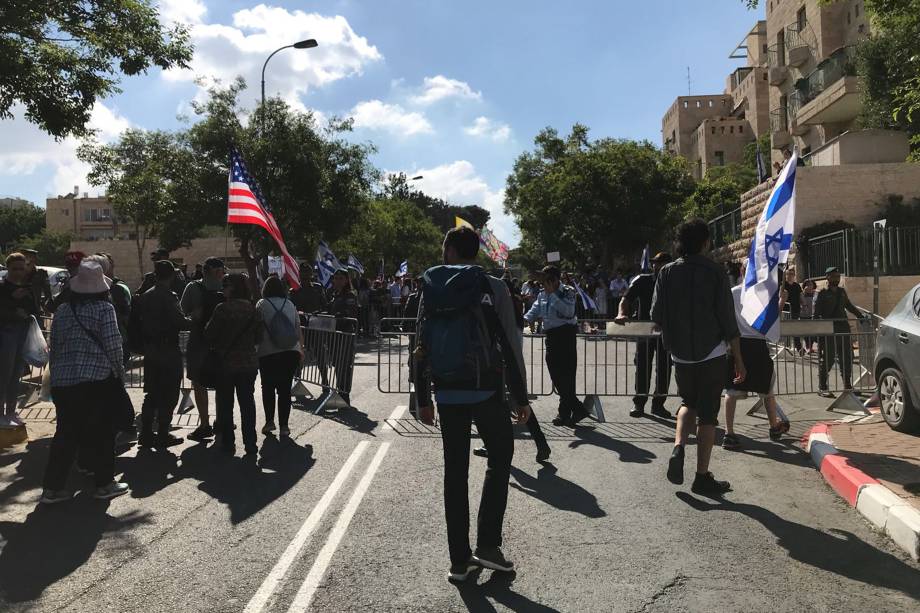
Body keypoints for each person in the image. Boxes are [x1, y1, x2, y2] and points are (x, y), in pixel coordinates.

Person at [415, 226, 532, 583]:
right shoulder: (493, 286)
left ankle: (459, 560)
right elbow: (510, 342)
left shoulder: (430, 288)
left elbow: (420, 342)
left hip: (447, 392)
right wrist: (520, 395)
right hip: (487, 389)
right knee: (499, 460)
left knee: (455, 472)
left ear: (449, 250)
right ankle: (488, 544)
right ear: (475, 253)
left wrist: (422, 398)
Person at [651, 218, 745, 496]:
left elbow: (656, 315)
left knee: (686, 402)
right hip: (712, 354)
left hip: (680, 355)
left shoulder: (666, 272)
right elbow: (728, 320)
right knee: (708, 416)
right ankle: (701, 476)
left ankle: (678, 446)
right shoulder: (715, 272)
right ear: (705, 242)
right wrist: (738, 358)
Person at [39, 260, 129, 503]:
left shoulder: (64, 310)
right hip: (97, 379)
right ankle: (104, 484)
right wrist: (119, 374)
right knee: (103, 433)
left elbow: (55, 347)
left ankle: (52, 488)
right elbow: (113, 345)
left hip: (64, 382)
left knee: (65, 434)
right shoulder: (104, 309)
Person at [473, 278, 551, 462]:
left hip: (499, 362)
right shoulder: (513, 307)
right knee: (518, 403)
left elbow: (506, 338)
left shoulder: (502, 308)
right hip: (506, 362)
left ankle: (495, 447)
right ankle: (541, 443)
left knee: (495, 408)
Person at [722, 276, 791, 450]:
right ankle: (773, 426)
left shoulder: (733, 293)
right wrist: (782, 300)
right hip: (756, 344)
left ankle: (729, 433)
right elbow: (771, 321)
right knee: (766, 389)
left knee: (732, 390)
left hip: (737, 342)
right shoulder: (763, 294)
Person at [205, 272, 262, 455]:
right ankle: (250, 443)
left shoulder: (222, 309)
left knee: (225, 404)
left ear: (233, 288)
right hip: (249, 363)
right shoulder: (253, 309)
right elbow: (259, 336)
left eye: (225, 286)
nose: (223, 290)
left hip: (226, 363)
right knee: (247, 404)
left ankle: (229, 443)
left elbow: (209, 334)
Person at [136, 260, 190, 448]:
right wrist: (194, 320)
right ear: (171, 276)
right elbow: (180, 322)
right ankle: (163, 433)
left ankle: (146, 432)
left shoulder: (146, 295)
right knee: (169, 393)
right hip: (168, 350)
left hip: (151, 350)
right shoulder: (169, 296)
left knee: (152, 393)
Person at [524, 266, 587, 426]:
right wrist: (523, 320)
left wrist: (554, 294)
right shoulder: (542, 292)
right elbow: (534, 310)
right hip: (551, 337)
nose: (544, 283)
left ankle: (564, 413)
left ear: (555, 279)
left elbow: (568, 312)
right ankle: (577, 408)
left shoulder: (567, 291)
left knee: (567, 376)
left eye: (547, 279)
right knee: (556, 376)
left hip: (565, 335)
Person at [615, 252, 673, 419]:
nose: (657, 266)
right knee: (642, 367)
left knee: (664, 368)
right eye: (655, 263)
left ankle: (658, 404)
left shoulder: (675, 283)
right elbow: (626, 299)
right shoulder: (642, 280)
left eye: (661, 263)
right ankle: (639, 404)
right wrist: (621, 314)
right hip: (645, 330)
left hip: (666, 330)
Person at [180, 257, 226, 441]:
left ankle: (207, 423)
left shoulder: (194, 287)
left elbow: (182, 311)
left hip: (202, 342)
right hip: (216, 343)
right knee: (215, 383)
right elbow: (183, 311)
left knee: (201, 383)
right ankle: (217, 422)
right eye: (219, 271)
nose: (221, 275)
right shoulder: (226, 287)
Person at [256, 276, 304, 438]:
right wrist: (301, 350)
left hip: (267, 351)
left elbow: (257, 328)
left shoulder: (261, 305)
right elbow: (298, 329)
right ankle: (284, 426)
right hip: (290, 351)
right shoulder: (290, 305)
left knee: (267, 387)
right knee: (285, 389)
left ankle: (269, 422)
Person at [0, 253, 42, 428]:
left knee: (16, 374)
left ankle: (11, 410)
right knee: (4, 373)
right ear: (8, 268)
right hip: (6, 333)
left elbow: (35, 310)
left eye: (21, 268)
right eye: (14, 268)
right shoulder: (2, 287)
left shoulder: (28, 287)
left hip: (23, 334)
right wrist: (12, 303)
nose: (18, 272)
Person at [813, 266, 864, 396]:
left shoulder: (841, 291)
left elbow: (849, 305)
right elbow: (816, 314)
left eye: (838, 276)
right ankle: (822, 387)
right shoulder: (822, 293)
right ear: (827, 277)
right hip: (829, 331)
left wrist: (860, 316)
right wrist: (818, 332)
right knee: (828, 360)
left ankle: (847, 385)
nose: (837, 278)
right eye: (834, 276)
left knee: (846, 358)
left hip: (843, 329)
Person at [324, 269, 359, 406]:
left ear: (346, 280)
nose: (337, 281)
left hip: (345, 335)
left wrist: (341, 315)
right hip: (334, 335)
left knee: (344, 366)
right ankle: (340, 392)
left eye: (340, 278)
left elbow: (351, 315)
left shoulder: (349, 295)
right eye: (335, 278)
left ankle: (344, 395)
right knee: (337, 366)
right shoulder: (334, 294)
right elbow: (329, 310)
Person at [21, 248, 53, 314]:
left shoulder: (41, 273)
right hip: (20, 309)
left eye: (30, 257)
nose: (28, 260)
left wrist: (47, 306)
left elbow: (47, 292)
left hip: (36, 309)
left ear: (35, 259)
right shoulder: (18, 272)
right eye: (26, 257)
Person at [781, 267, 803, 352]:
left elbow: (801, 296)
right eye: (788, 274)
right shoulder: (783, 284)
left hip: (795, 309)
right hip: (786, 310)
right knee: (789, 328)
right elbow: (780, 295)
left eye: (792, 274)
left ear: (794, 276)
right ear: (785, 275)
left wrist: (804, 303)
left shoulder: (797, 286)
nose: (790, 276)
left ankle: (797, 347)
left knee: (794, 328)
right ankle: (790, 346)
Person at [800, 279, 817, 354]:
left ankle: (811, 347)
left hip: (813, 315)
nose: (809, 286)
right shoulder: (802, 294)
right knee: (806, 332)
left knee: (813, 332)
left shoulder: (816, 293)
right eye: (807, 285)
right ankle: (808, 347)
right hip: (804, 315)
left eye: (811, 284)